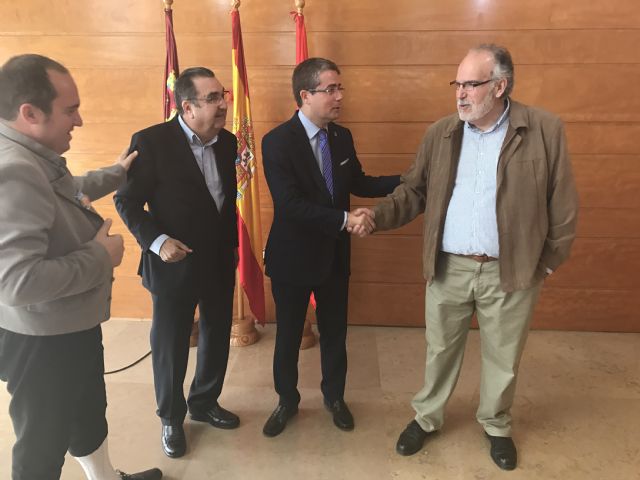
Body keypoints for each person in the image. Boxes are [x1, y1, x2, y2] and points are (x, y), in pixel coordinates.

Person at [369, 44, 579, 470]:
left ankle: (496, 424)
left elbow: (563, 203)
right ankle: (427, 417)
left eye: (471, 84)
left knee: (504, 355)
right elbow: (414, 191)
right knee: (440, 350)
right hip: (449, 267)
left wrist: (547, 262)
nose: (460, 93)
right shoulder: (442, 133)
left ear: (500, 86)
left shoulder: (543, 129)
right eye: (457, 83)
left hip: (512, 270)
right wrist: (375, 216)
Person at [0, 54, 162, 480]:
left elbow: (64, 190)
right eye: (70, 110)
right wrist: (100, 257)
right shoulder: (13, 170)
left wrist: (116, 174)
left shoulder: (28, 153)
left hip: (68, 323)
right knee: (42, 442)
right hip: (42, 340)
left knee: (87, 411)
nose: (80, 121)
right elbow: (15, 282)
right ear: (30, 113)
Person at [261, 57, 400, 437]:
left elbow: (360, 182)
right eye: (331, 89)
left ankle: (335, 398)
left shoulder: (341, 137)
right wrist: (345, 220)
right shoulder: (277, 142)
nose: (340, 97)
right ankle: (286, 401)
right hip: (292, 257)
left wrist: (410, 179)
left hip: (334, 256)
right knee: (289, 336)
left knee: (335, 333)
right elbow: (290, 204)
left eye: (341, 89)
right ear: (305, 95)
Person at [114, 67, 239, 459]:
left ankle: (204, 401)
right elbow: (126, 201)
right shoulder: (151, 142)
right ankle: (171, 417)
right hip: (172, 262)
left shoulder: (228, 142)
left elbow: (222, 202)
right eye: (213, 98)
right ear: (187, 107)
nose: (223, 104)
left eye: (223, 95)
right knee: (170, 344)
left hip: (219, 259)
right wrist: (157, 241)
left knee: (217, 333)